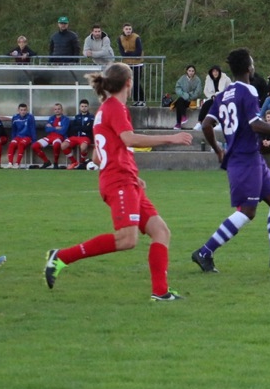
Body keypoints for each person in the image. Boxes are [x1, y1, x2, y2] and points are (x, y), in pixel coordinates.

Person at [44, 62, 193, 300]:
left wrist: (131, 175)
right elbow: (129, 139)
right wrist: (171, 138)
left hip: (124, 179)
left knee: (160, 231)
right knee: (127, 239)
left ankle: (160, 292)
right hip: (119, 182)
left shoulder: (106, 108)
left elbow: (96, 155)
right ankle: (61, 256)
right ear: (128, 83)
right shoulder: (114, 108)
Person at [193, 48, 270, 273]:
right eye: (252, 62)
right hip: (245, 159)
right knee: (247, 211)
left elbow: (206, 124)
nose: (254, 66)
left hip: (249, 158)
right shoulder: (248, 90)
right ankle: (205, 251)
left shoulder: (224, 94)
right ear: (248, 68)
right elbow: (255, 124)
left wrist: (218, 149)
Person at [30, 102, 69, 168]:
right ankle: (46, 161)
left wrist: (52, 127)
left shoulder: (66, 119)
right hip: (50, 136)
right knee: (34, 146)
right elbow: (47, 129)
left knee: (56, 144)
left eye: (59, 109)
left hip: (59, 137)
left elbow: (63, 131)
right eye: (55, 109)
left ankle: (55, 163)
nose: (57, 110)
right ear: (54, 110)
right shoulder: (51, 118)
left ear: (62, 110)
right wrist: (56, 128)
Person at [196, 64, 231, 130]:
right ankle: (199, 122)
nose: (215, 73)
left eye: (217, 71)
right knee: (206, 104)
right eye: (214, 71)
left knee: (219, 105)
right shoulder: (208, 78)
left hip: (224, 98)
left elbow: (229, 90)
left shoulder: (226, 79)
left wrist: (218, 95)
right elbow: (206, 91)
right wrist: (212, 96)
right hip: (212, 97)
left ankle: (221, 124)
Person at [63, 99, 95, 169]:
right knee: (63, 145)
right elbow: (73, 127)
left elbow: (89, 128)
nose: (84, 108)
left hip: (85, 137)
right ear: (80, 107)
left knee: (83, 147)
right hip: (75, 137)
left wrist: (79, 127)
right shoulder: (77, 117)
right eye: (82, 106)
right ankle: (74, 162)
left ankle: (82, 163)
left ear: (88, 107)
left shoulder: (91, 117)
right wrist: (83, 127)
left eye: (85, 106)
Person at [117, 23, 144, 105]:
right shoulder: (120, 38)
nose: (128, 31)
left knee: (136, 82)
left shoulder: (136, 37)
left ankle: (142, 100)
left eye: (129, 29)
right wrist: (127, 54)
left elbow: (139, 51)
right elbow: (122, 51)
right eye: (126, 29)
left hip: (137, 63)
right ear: (123, 30)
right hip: (127, 64)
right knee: (129, 83)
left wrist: (129, 53)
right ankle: (136, 100)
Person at [6, 103, 36, 168]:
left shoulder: (30, 117)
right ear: (18, 110)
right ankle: (10, 163)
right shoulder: (15, 117)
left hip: (27, 137)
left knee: (21, 144)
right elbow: (13, 129)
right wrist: (13, 139)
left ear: (27, 110)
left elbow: (32, 129)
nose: (23, 111)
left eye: (24, 110)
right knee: (12, 144)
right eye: (21, 110)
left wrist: (34, 140)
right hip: (18, 136)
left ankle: (17, 163)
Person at [173, 64, 202, 129]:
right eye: (189, 71)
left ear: (194, 72)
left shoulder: (197, 80)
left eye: (192, 71)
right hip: (183, 98)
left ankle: (178, 123)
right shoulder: (182, 78)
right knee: (179, 101)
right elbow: (178, 88)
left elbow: (198, 92)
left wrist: (189, 96)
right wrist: (184, 95)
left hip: (192, 100)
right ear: (187, 71)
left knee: (179, 103)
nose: (191, 72)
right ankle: (182, 118)